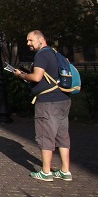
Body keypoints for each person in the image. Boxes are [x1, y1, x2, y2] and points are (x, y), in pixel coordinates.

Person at [11, 30, 73, 182]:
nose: (28, 43)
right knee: (62, 135)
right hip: (63, 99)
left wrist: (21, 75)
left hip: (48, 102)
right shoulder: (54, 53)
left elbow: (37, 77)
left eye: (30, 40)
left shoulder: (41, 55)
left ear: (40, 39)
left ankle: (46, 172)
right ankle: (65, 171)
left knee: (45, 135)